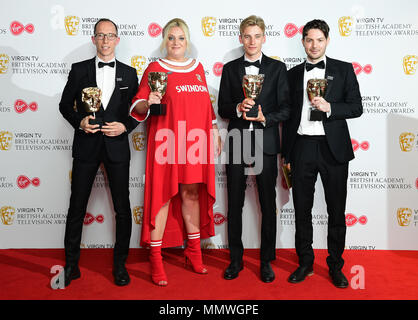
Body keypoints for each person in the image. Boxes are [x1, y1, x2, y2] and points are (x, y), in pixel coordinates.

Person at [130, 18, 221, 286]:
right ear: (164, 41)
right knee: (162, 197)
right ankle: (156, 260)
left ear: (188, 41)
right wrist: (148, 101)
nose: (176, 43)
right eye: (171, 38)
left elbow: (206, 104)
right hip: (166, 142)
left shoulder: (197, 68)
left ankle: (193, 251)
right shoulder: (155, 68)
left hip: (194, 142)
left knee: (191, 193)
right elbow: (137, 105)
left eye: (181, 38)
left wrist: (214, 129)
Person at [282, 19, 363, 288]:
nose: (314, 45)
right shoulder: (292, 74)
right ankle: (305, 262)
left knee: (336, 211)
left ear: (327, 40)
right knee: (302, 210)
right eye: (309, 40)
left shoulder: (343, 69)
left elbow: (356, 107)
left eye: (319, 40)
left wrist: (330, 107)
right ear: (302, 41)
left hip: (333, 150)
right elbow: (287, 115)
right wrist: (286, 153)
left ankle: (336, 265)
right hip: (302, 147)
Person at [59, 18, 139, 287]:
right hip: (86, 145)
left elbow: (139, 110)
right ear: (93, 39)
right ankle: (71, 266)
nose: (105, 41)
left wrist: (125, 126)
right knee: (76, 208)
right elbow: (63, 105)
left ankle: (120, 266)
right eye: (101, 36)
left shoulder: (129, 73)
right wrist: (78, 121)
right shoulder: (79, 69)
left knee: (123, 209)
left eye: (110, 35)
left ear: (118, 39)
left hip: (116, 147)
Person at [218, 15, 290, 283]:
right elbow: (222, 108)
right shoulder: (229, 69)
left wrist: (265, 118)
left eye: (256, 35)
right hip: (238, 141)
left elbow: (286, 108)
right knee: (234, 202)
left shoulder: (277, 68)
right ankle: (235, 260)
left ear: (264, 37)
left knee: (267, 203)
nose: (251, 41)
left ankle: (266, 261)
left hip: (266, 143)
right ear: (240, 38)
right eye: (247, 36)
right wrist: (237, 108)